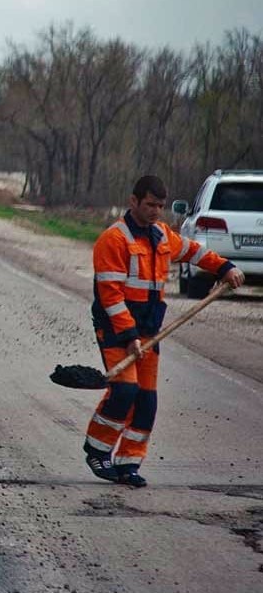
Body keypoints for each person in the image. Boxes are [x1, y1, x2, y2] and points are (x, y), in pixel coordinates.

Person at [83, 175, 242, 487]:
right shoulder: (113, 240)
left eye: (160, 206)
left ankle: (128, 463)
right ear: (134, 202)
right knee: (125, 390)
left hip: (150, 331)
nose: (156, 211)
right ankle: (98, 450)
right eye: (150, 205)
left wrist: (225, 267)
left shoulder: (161, 235)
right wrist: (129, 337)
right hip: (116, 329)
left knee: (146, 399)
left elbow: (195, 252)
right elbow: (111, 296)